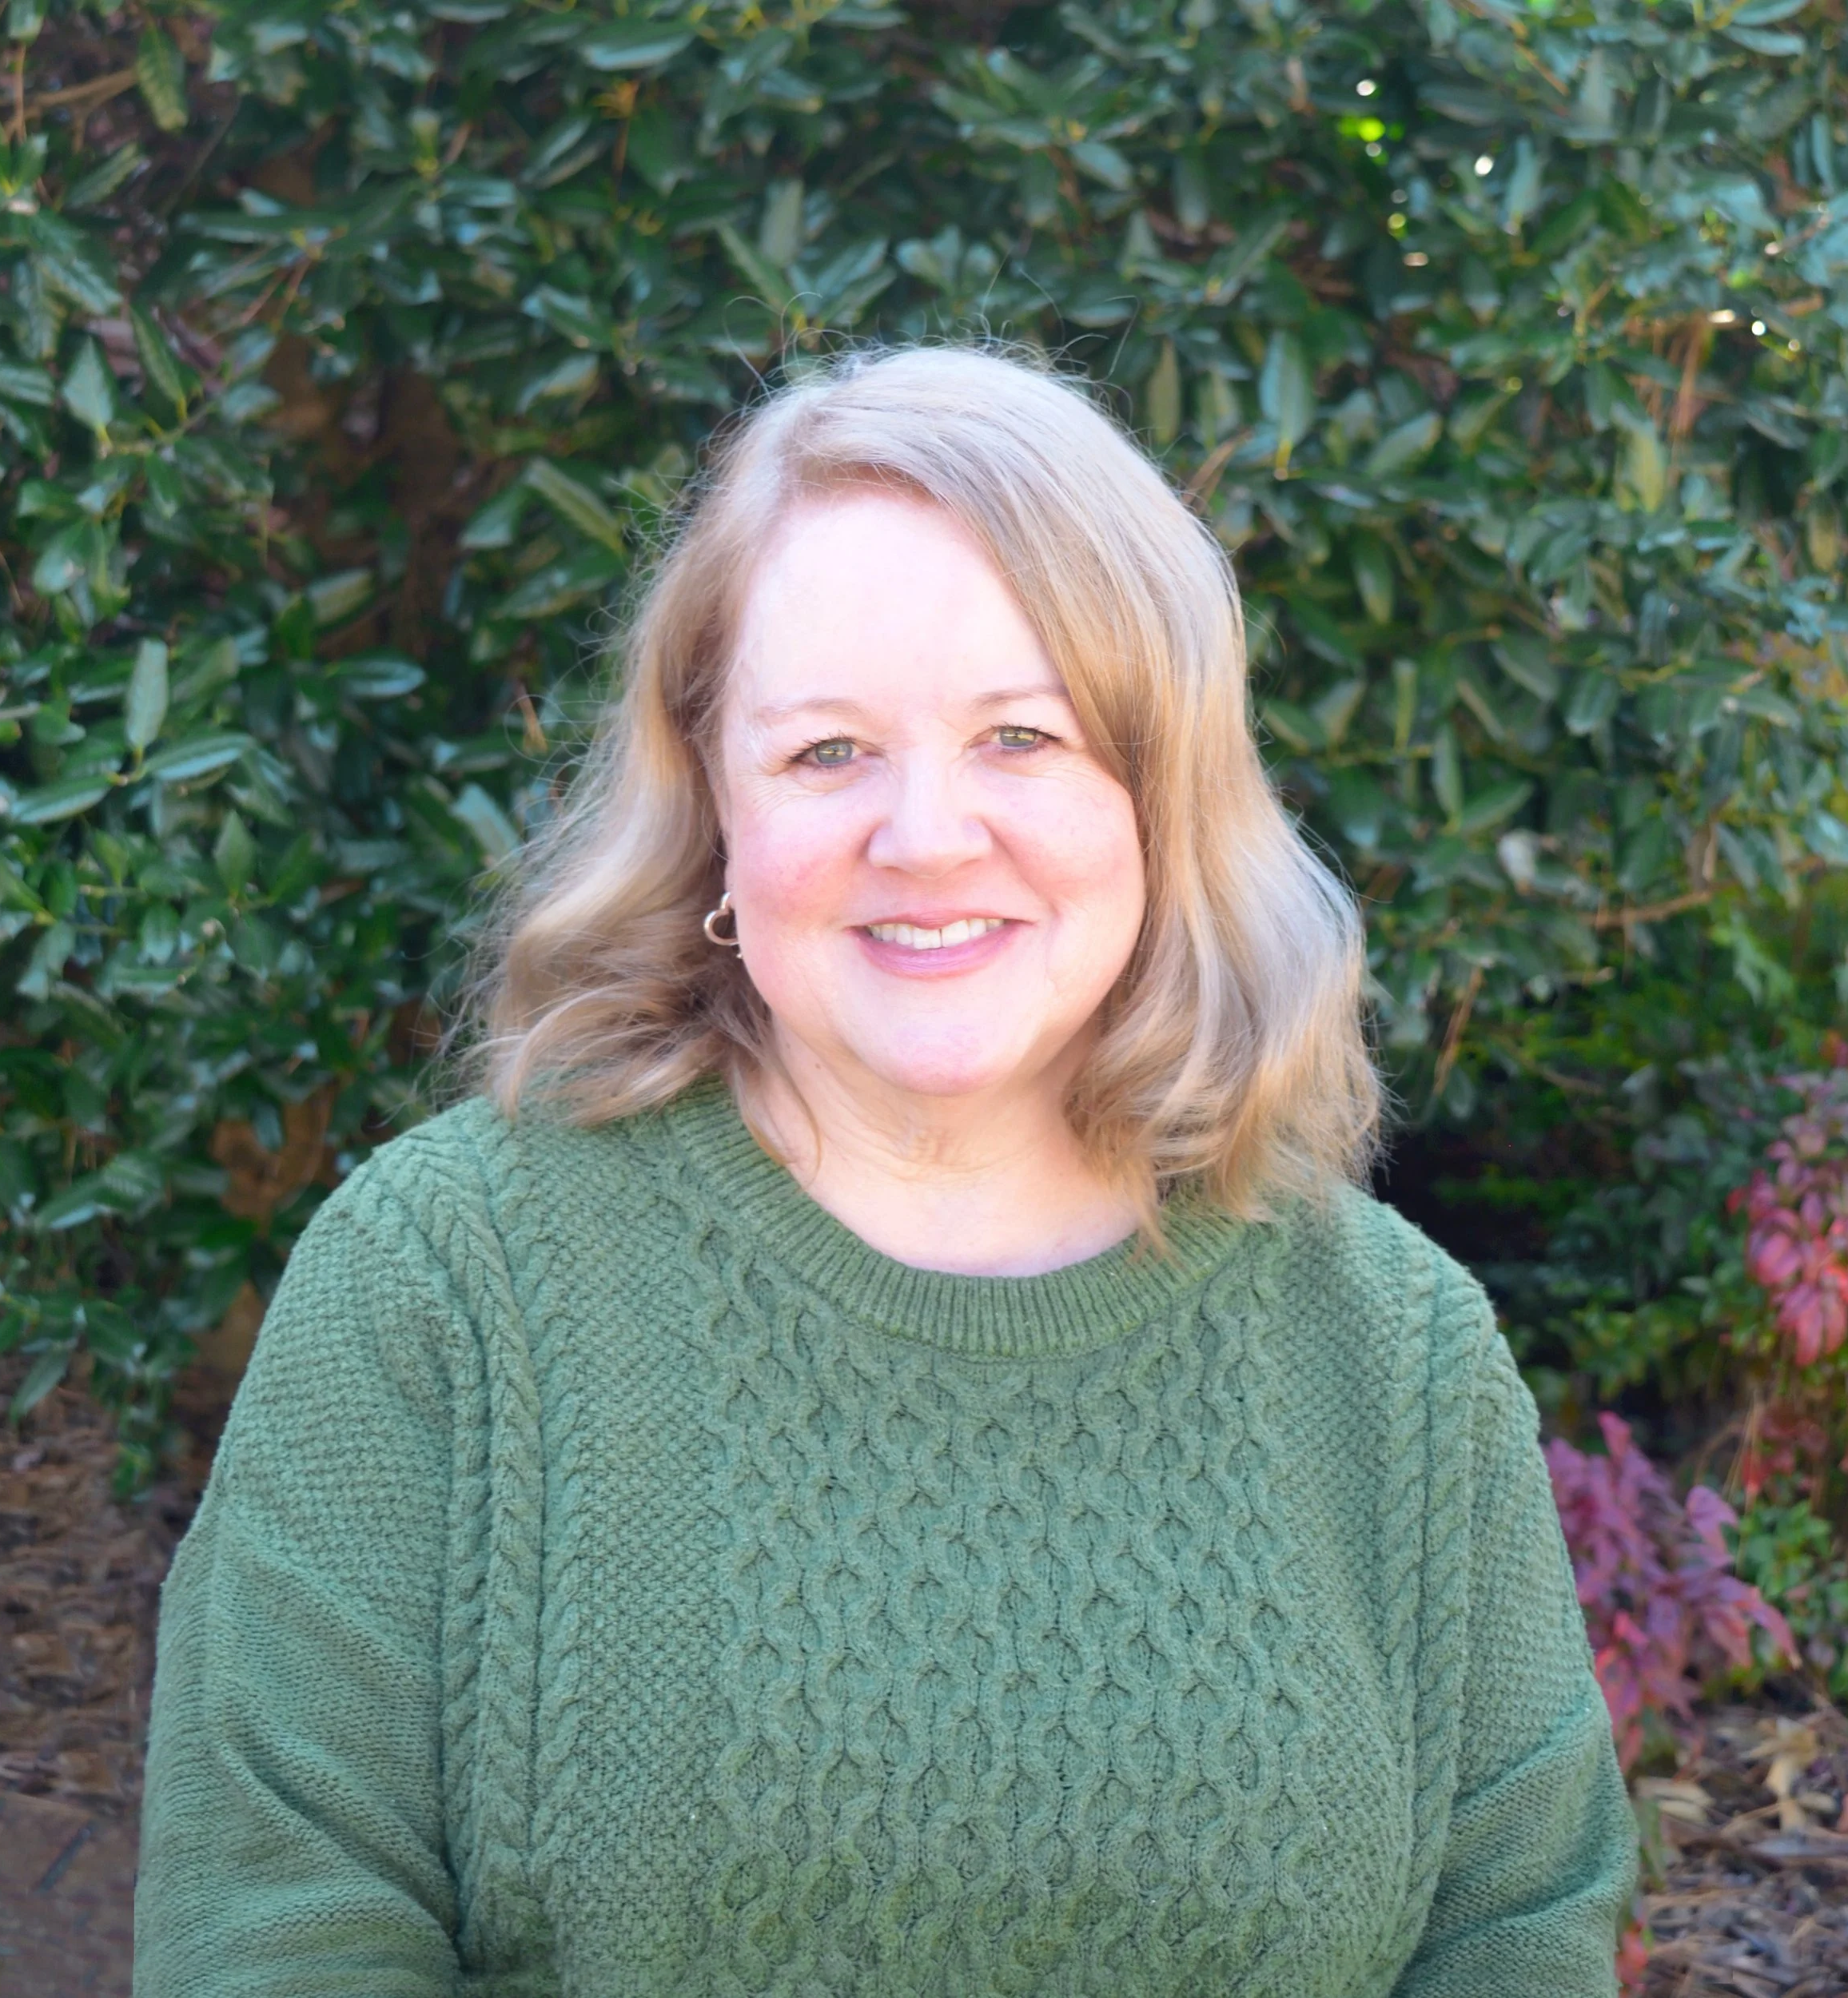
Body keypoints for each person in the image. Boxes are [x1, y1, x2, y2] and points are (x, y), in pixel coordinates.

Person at [133, 344, 1637, 1996]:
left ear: (1160, 785)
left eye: (1020, 734)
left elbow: (1519, 1930)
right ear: (713, 801)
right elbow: (275, 1933)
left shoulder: (1392, 1351)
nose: (925, 834)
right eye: (827, 751)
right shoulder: (448, 1283)